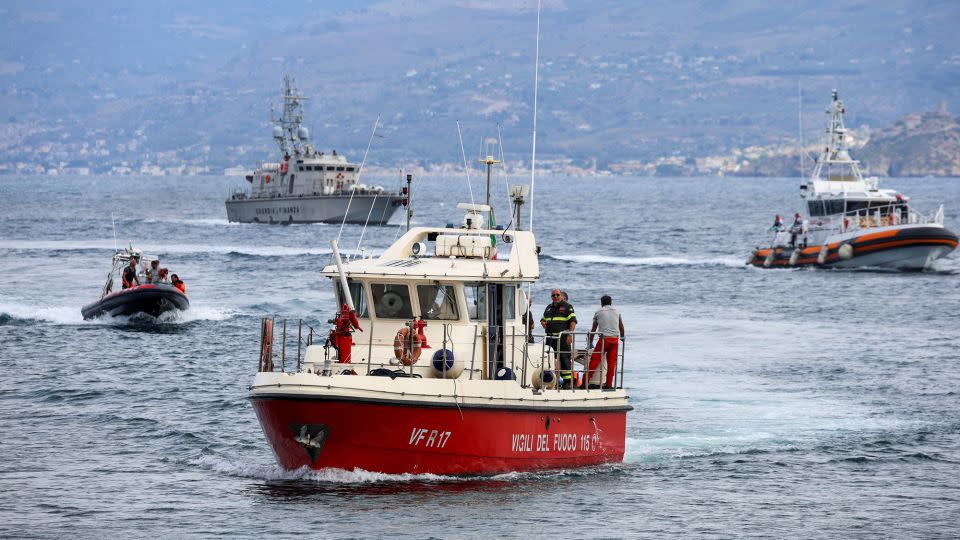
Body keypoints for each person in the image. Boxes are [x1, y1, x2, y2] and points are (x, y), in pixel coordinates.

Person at [541, 288, 577, 389]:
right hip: (550, 338)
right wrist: (543, 323)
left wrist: (570, 335)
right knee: (549, 359)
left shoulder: (567, 307)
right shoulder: (548, 307)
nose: (556, 297)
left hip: (563, 338)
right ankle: (551, 380)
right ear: (551, 297)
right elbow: (543, 319)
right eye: (553, 295)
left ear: (561, 296)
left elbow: (573, 321)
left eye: (557, 295)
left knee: (564, 359)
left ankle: (567, 382)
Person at [587, 295, 625, 389]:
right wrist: (623, 337)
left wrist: (590, 343)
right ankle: (609, 385)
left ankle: (585, 382)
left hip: (604, 340)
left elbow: (593, 329)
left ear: (601, 302)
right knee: (612, 364)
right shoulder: (617, 311)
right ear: (611, 302)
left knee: (594, 361)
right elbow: (621, 327)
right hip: (615, 340)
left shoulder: (598, 312)